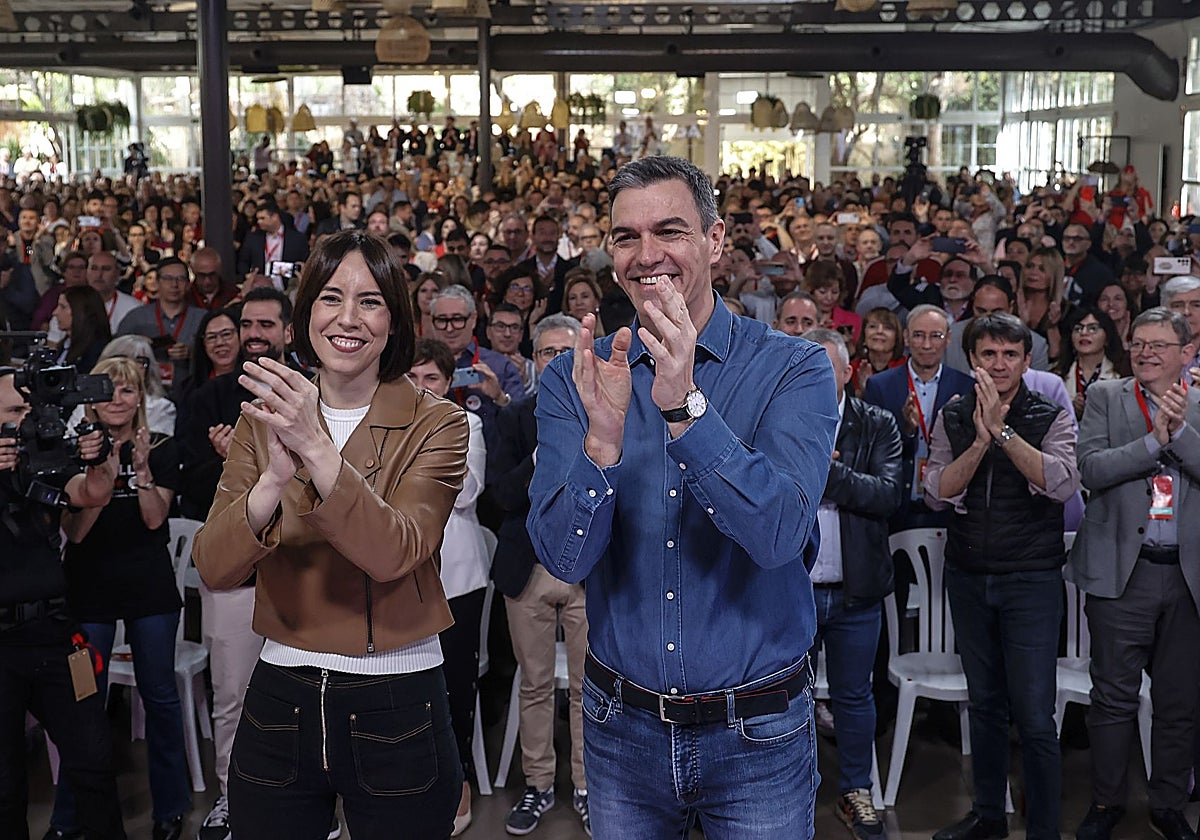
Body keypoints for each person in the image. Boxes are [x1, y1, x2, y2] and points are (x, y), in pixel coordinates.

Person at [528, 156, 837, 838]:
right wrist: (601, 449)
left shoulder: (795, 368)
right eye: (626, 237)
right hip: (620, 731)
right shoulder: (576, 382)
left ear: (716, 241)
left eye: (669, 231)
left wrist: (686, 411)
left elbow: (779, 536)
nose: (647, 257)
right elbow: (563, 558)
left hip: (757, 733)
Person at [194, 230, 468, 840]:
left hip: (397, 694)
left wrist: (316, 447)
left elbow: (395, 551)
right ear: (303, 316)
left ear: (395, 320)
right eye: (330, 298)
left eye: (370, 301)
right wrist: (269, 483)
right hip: (280, 690)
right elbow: (213, 567)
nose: (348, 318)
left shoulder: (439, 423)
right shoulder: (263, 418)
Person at [923, 313, 1080, 840]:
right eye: (989, 354)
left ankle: (1044, 829)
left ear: (1027, 361)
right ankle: (989, 815)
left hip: (1031, 581)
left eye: (1010, 355)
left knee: (1035, 715)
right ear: (972, 361)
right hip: (968, 576)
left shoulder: (1051, 413)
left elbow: (1060, 485)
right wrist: (979, 439)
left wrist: (1004, 433)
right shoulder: (954, 413)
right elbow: (936, 490)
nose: (999, 364)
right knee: (985, 705)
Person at [1070, 307, 1200, 840]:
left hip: (1188, 576)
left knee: (1179, 700)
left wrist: (1179, 431)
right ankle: (1107, 802)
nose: (1146, 352)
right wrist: (1154, 442)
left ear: (1187, 353)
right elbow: (1092, 468)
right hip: (1123, 571)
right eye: (1139, 343)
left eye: (1160, 344)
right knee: (1112, 699)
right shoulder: (1105, 396)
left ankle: (1168, 804)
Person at [50, 356, 191, 840]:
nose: (117, 399)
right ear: (91, 397)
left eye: (127, 391)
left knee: (161, 699)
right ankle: (69, 820)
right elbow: (77, 532)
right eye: (108, 389)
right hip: (87, 592)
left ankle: (170, 809)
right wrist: (100, 479)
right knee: (82, 704)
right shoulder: (69, 450)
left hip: (150, 590)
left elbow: (155, 520)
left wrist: (142, 470)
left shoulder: (164, 446)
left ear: (140, 399)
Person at [0, 369, 127, 840]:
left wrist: (98, 455)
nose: (26, 422)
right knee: (5, 781)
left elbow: (93, 493)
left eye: (30, 411)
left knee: (93, 762)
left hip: (56, 635)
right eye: (14, 412)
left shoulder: (46, 460)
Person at [488, 314, 591, 837]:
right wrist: (539, 457)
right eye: (548, 352)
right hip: (526, 567)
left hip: (590, 573)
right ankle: (538, 783)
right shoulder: (514, 418)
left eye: (566, 351)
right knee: (534, 684)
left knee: (586, 688)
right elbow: (500, 496)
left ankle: (587, 787)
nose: (558, 361)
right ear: (534, 360)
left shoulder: (607, 412)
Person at [802, 328, 903, 839]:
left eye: (829, 369)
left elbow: (887, 495)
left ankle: (856, 790)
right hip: (792, 587)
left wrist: (826, 475)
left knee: (854, 695)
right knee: (786, 696)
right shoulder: (783, 418)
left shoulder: (877, 423)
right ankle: (789, 791)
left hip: (856, 587)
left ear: (848, 372)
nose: (820, 379)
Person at [406, 338, 491, 838]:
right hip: (402, 574)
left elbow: (468, 491)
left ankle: (458, 780)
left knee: (455, 684)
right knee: (407, 682)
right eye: (412, 378)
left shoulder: (467, 424)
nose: (422, 388)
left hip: (457, 577)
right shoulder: (382, 426)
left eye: (431, 378)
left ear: (449, 382)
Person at [1055, 305, 1130, 420]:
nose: (1084, 333)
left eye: (1093, 328)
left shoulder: (1123, 373)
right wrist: (1070, 408)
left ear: (1107, 337)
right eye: (1078, 329)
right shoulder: (1057, 374)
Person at [51, 285, 111, 374]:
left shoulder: (96, 351)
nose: (55, 312)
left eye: (63, 307)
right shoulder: (65, 345)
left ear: (80, 312)